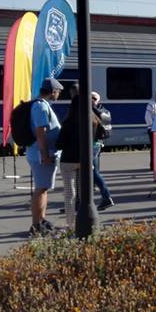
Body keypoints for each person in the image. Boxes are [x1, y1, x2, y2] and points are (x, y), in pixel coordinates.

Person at [56, 94, 101, 228]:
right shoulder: (94, 121)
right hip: (85, 161)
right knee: (85, 193)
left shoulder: (68, 122)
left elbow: (59, 144)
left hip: (68, 160)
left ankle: (70, 223)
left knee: (70, 194)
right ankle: (86, 221)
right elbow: (99, 136)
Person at [27, 78, 64, 236]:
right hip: (42, 154)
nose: (59, 95)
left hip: (44, 153)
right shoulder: (40, 107)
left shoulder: (41, 105)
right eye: (58, 92)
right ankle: (36, 225)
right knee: (41, 189)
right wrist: (45, 155)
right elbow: (41, 133)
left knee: (44, 188)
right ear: (53, 91)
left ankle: (41, 220)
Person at [90, 92, 114, 211]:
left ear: (98, 100)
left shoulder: (95, 110)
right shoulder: (104, 110)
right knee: (93, 170)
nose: (91, 100)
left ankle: (106, 196)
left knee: (92, 171)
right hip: (98, 143)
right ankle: (80, 200)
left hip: (93, 144)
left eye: (94, 98)